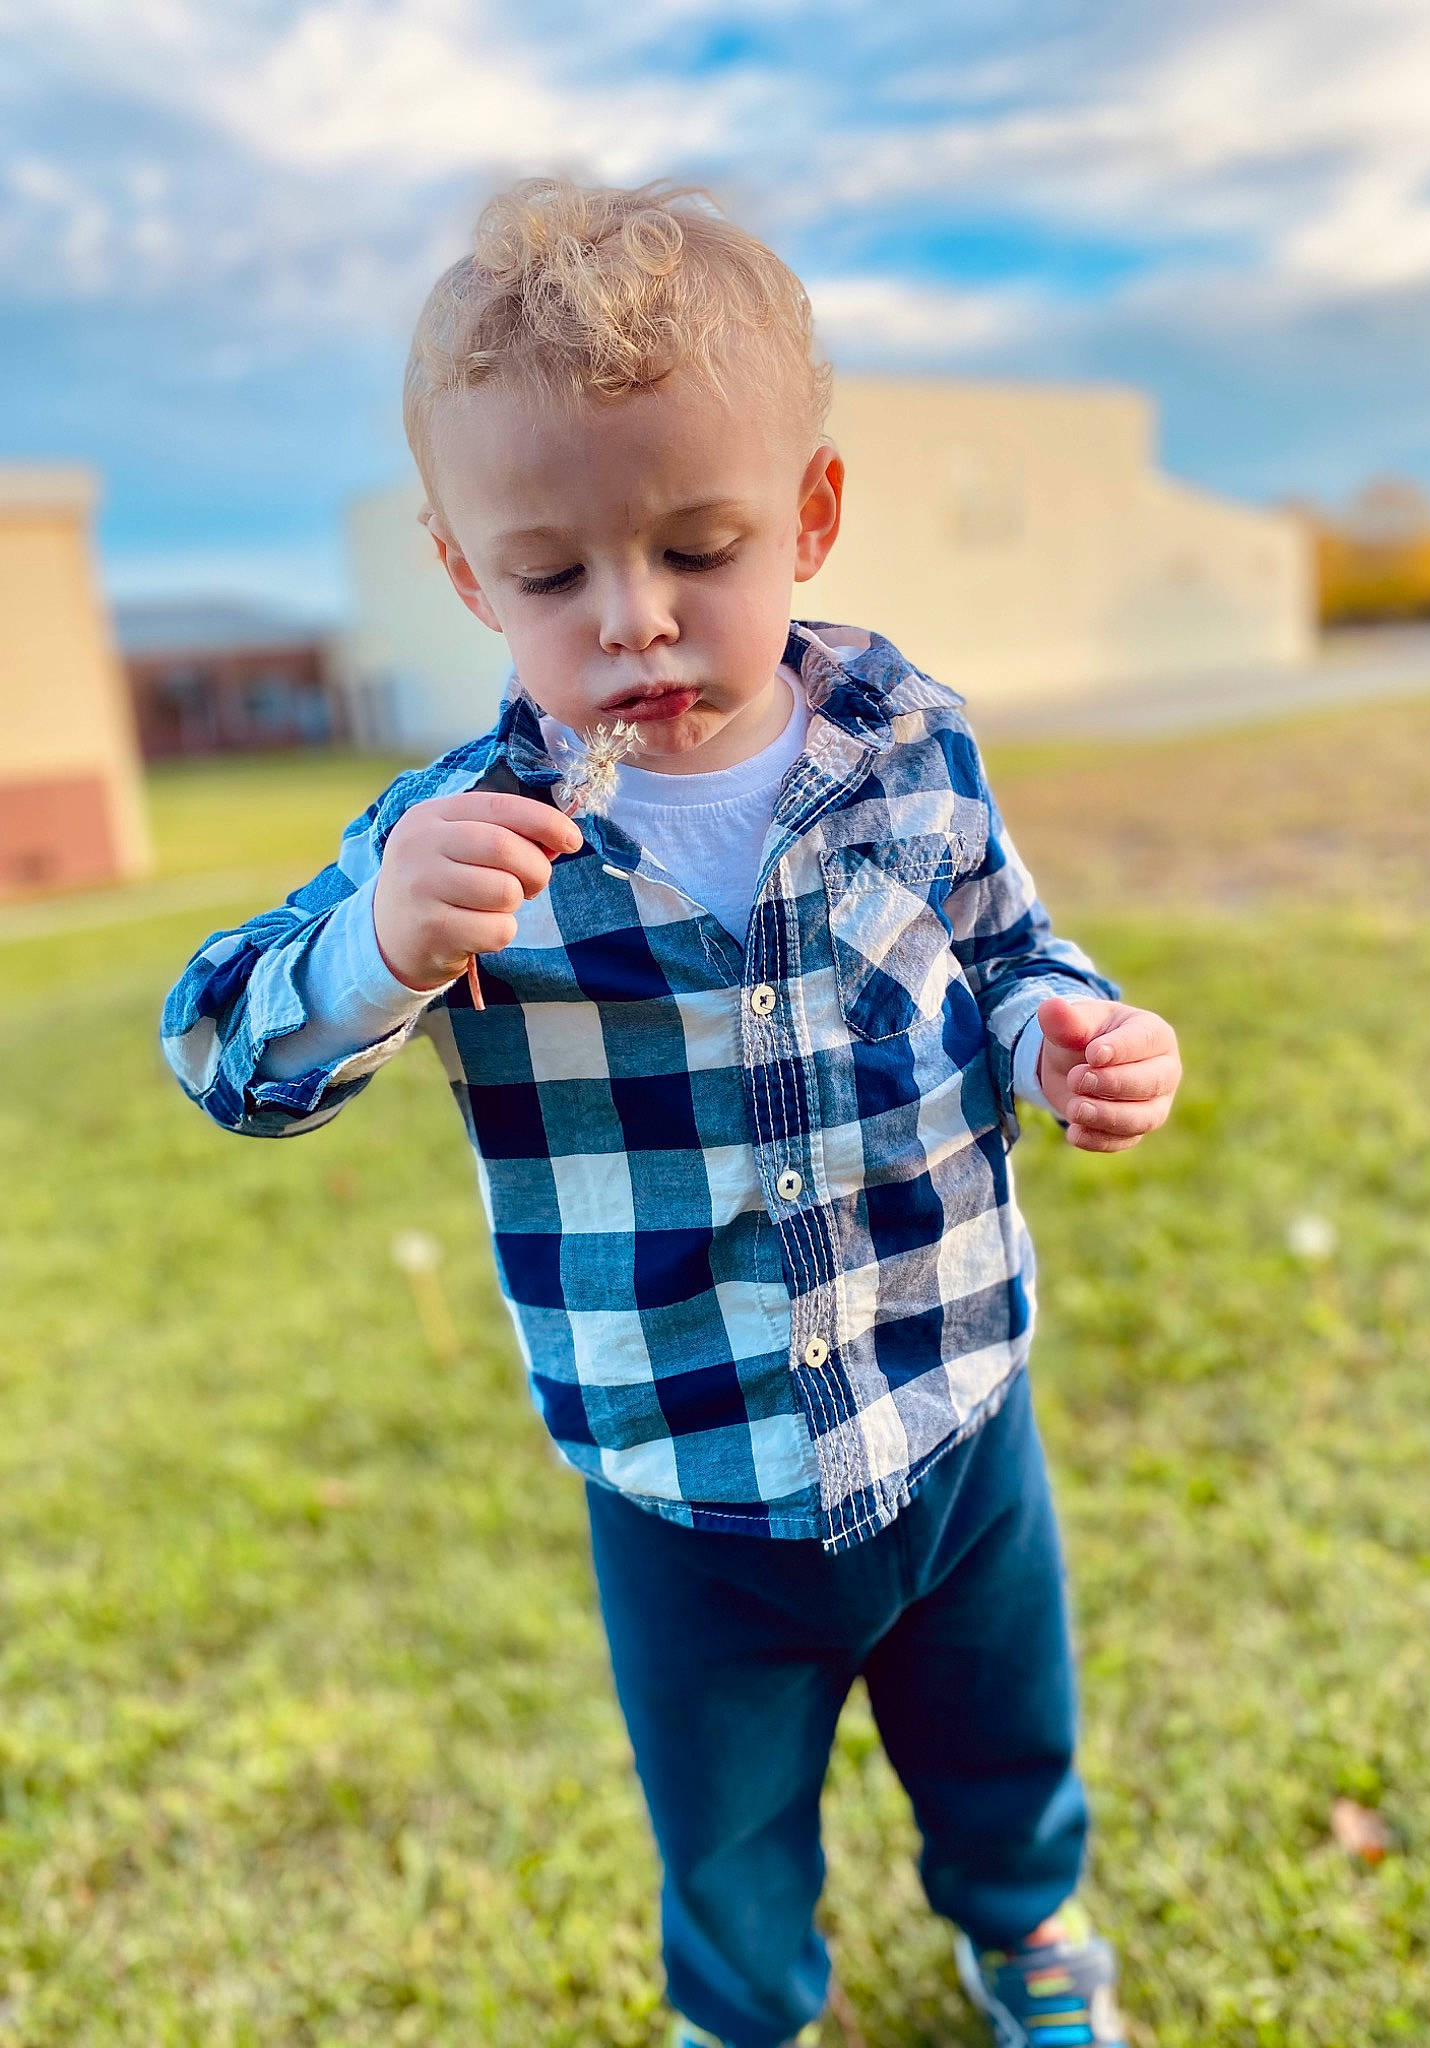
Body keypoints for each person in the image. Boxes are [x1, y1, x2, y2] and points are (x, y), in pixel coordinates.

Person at [162, 178, 1182, 2048]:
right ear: (470, 578)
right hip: (685, 1475)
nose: (631, 621)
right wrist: (374, 953)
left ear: (806, 516)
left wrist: (1072, 1033)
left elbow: (1013, 943)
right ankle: (747, 2016)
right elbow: (223, 1049)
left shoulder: (907, 741)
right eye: (551, 575)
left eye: (696, 548)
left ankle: (1027, 1929)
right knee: (721, 1834)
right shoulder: (454, 840)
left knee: (1005, 1732)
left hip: (957, 1406)